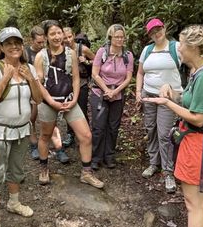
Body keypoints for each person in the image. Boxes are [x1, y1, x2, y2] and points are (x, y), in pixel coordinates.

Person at [142, 25, 203, 227]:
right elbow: (191, 103)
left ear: (194, 48)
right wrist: (173, 94)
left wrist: (167, 104)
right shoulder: (199, 72)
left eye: (182, 46)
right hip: (196, 142)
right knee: (199, 198)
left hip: (199, 144)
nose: (178, 50)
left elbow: (198, 118)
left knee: (192, 204)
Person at [0, 27, 43, 227]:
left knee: (17, 169)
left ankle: (14, 203)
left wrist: (31, 79)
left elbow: (38, 99)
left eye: (17, 42)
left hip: (22, 130)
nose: (14, 46)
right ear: (1, 47)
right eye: (8, 43)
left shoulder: (28, 68)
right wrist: (6, 77)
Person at [34, 20, 104, 188]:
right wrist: (51, 102)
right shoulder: (40, 56)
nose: (57, 37)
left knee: (86, 136)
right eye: (52, 34)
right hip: (49, 102)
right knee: (45, 136)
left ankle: (86, 173)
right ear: (46, 37)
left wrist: (74, 100)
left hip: (68, 100)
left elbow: (75, 78)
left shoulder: (70, 53)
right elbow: (39, 83)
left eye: (59, 33)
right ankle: (44, 168)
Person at [136, 18, 182, 193]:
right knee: (151, 129)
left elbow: (192, 66)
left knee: (164, 133)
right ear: (149, 35)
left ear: (164, 28)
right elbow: (140, 72)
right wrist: (139, 92)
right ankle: (153, 163)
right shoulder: (147, 50)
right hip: (149, 95)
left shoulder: (176, 47)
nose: (157, 33)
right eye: (153, 31)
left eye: (159, 29)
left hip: (168, 98)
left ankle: (168, 172)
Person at [90, 24, 134, 170]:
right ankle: (95, 157)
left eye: (122, 37)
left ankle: (109, 156)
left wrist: (115, 92)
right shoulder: (102, 52)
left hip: (118, 94)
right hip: (99, 93)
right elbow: (95, 74)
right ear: (111, 37)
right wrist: (106, 90)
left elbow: (128, 78)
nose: (120, 40)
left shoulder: (128, 55)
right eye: (117, 37)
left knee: (113, 127)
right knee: (99, 126)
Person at [25, 26, 68, 163]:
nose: (41, 45)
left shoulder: (49, 53)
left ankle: (58, 148)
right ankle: (33, 145)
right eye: (38, 42)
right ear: (31, 40)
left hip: (46, 92)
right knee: (31, 118)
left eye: (43, 42)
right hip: (31, 90)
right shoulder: (26, 54)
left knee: (51, 122)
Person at [62, 27, 95, 148]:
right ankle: (70, 134)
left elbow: (97, 61)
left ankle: (85, 136)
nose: (68, 40)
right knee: (68, 109)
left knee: (81, 110)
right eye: (65, 37)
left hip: (82, 84)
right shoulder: (60, 50)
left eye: (70, 37)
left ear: (74, 35)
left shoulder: (83, 49)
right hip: (66, 85)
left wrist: (86, 61)